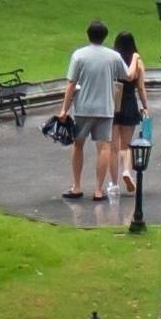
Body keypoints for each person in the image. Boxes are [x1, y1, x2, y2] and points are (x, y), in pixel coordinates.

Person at [60, 20, 132, 201]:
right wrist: (136, 59)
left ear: (88, 35)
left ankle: (76, 186)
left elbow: (71, 84)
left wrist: (64, 109)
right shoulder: (114, 56)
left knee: (78, 145)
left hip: (83, 108)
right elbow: (127, 76)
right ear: (105, 36)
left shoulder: (79, 56)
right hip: (105, 108)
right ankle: (99, 190)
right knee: (104, 147)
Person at [110, 29, 148, 197]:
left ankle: (113, 183)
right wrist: (145, 106)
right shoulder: (137, 62)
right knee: (126, 144)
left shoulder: (112, 61)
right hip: (129, 102)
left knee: (112, 147)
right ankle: (126, 171)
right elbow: (140, 87)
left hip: (112, 102)